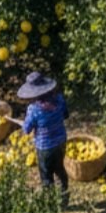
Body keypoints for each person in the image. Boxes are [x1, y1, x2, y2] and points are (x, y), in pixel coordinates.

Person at [19, 72, 70, 205]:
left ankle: (50, 204)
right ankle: (63, 198)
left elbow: (27, 129)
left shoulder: (34, 110)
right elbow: (65, 115)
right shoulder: (59, 99)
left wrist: (25, 124)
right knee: (59, 168)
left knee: (46, 175)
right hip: (60, 142)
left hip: (44, 147)